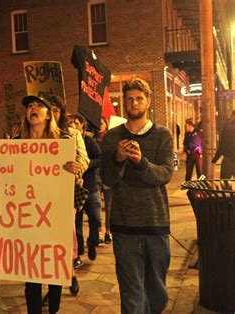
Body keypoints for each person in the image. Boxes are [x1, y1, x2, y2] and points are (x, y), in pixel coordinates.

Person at [100, 78, 174, 313]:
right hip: (124, 226)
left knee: (157, 293)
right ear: (124, 102)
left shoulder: (163, 135)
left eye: (139, 98)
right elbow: (108, 179)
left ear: (148, 102)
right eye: (129, 98)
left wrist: (141, 162)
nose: (134, 102)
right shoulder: (112, 137)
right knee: (132, 294)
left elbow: (165, 174)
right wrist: (118, 159)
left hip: (155, 223)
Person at [19, 95, 85, 314]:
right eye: (29, 106)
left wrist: (76, 170)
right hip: (27, 215)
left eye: (38, 106)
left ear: (49, 114)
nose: (33, 109)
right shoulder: (16, 144)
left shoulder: (63, 143)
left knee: (53, 268)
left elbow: (77, 173)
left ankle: (54, 307)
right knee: (31, 274)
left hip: (55, 213)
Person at [74, 113, 102, 262]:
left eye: (76, 123)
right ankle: (78, 252)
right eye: (71, 123)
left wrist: (87, 164)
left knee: (96, 219)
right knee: (76, 223)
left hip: (90, 188)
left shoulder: (88, 141)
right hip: (74, 190)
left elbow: (99, 158)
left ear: (82, 125)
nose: (73, 126)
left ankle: (92, 241)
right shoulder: (66, 141)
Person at [95, 116, 112, 244]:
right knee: (97, 206)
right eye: (97, 123)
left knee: (110, 206)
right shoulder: (91, 140)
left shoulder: (111, 140)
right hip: (96, 176)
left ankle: (108, 232)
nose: (99, 125)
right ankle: (99, 232)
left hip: (109, 176)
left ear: (106, 125)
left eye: (101, 123)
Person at [212, 110, 235, 179]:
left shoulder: (228, 128)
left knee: (225, 183)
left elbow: (222, 145)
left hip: (229, 160)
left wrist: (215, 159)